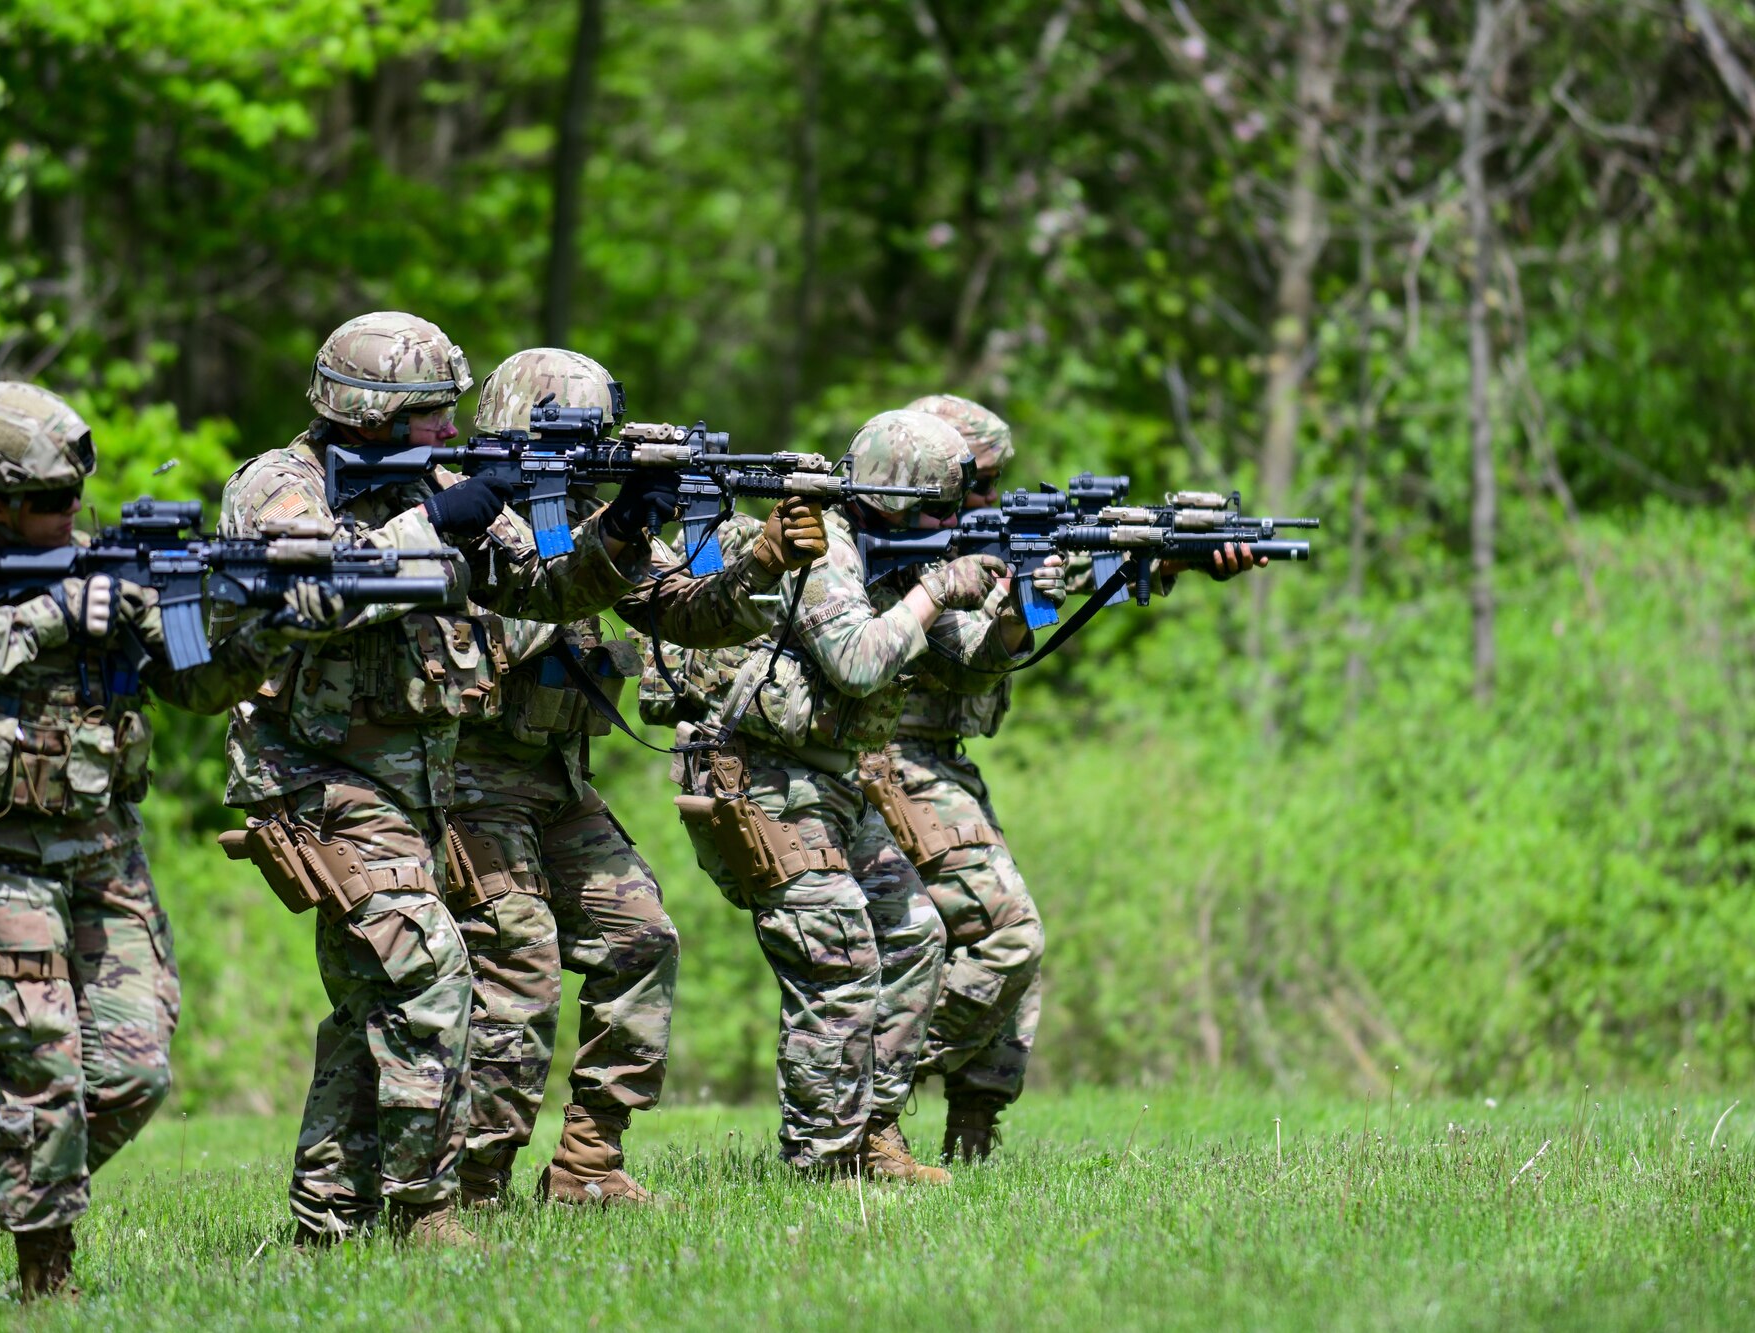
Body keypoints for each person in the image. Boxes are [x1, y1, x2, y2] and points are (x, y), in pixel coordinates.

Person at [216, 313, 678, 1247]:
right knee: (428, 973)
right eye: (431, 413)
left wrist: (627, 520)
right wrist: (435, 520)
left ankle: (325, 1228)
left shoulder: (438, 481)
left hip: (414, 782)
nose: (448, 429)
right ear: (372, 414)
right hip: (317, 775)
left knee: (370, 1002)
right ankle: (426, 1212)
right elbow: (308, 591)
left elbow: (543, 590)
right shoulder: (281, 485)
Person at [0, 382, 334, 1310]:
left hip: (98, 844)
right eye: (50, 503)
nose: (69, 518)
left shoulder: (101, 564)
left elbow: (198, 688)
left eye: (72, 501)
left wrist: (268, 625)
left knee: (132, 1070)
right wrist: (57, 614)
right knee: (43, 1060)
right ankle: (48, 1284)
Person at [446, 348, 829, 1208]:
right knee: (520, 969)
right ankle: (471, 1184)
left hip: (553, 779)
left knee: (641, 938)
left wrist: (763, 558)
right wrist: (607, 536)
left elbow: (688, 613)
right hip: (465, 779)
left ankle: (588, 1165)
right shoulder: (470, 513)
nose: (595, 449)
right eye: (574, 434)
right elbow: (529, 605)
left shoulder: (588, 516)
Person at [643, 408, 1028, 1183]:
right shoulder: (823, 548)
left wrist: (1020, 607)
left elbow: (963, 664)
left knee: (915, 930)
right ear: (892, 498)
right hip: (760, 776)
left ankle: (873, 1132)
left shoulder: (896, 553)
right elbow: (856, 661)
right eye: (939, 508)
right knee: (839, 952)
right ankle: (823, 1159)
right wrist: (936, 590)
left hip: (832, 779)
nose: (952, 522)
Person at [897, 393, 1263, 1162]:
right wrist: (1023, 595)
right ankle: (866, 1088)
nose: (991, 498)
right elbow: (969, 653)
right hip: (890, 757)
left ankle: (972, 1137)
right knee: (1009, 936)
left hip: (941, 761)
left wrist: (1160, 561)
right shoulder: (897, 545)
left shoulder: (961, 535)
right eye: (981, 481)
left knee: (1017, 958)